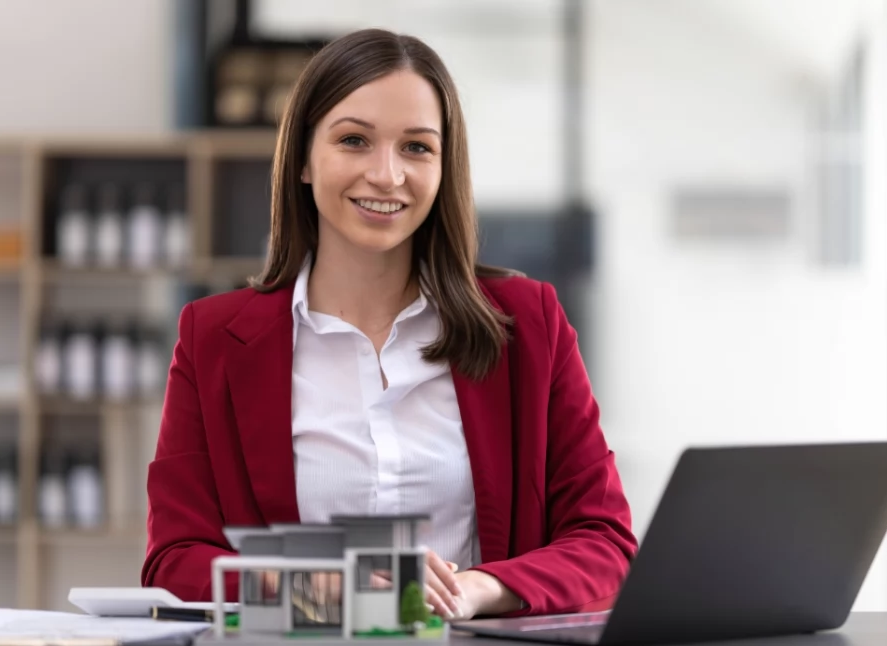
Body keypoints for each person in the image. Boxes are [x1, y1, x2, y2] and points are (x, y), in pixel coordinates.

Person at [141, 27, 637, 621]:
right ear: (302, 158)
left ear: (444, 166)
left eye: (416, 147)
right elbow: (174, 558)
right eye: (354, 140)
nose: (387, 175)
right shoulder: (213, 338)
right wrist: (322, 584)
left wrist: (476, 588)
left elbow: (604, 541)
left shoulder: (528, 324)